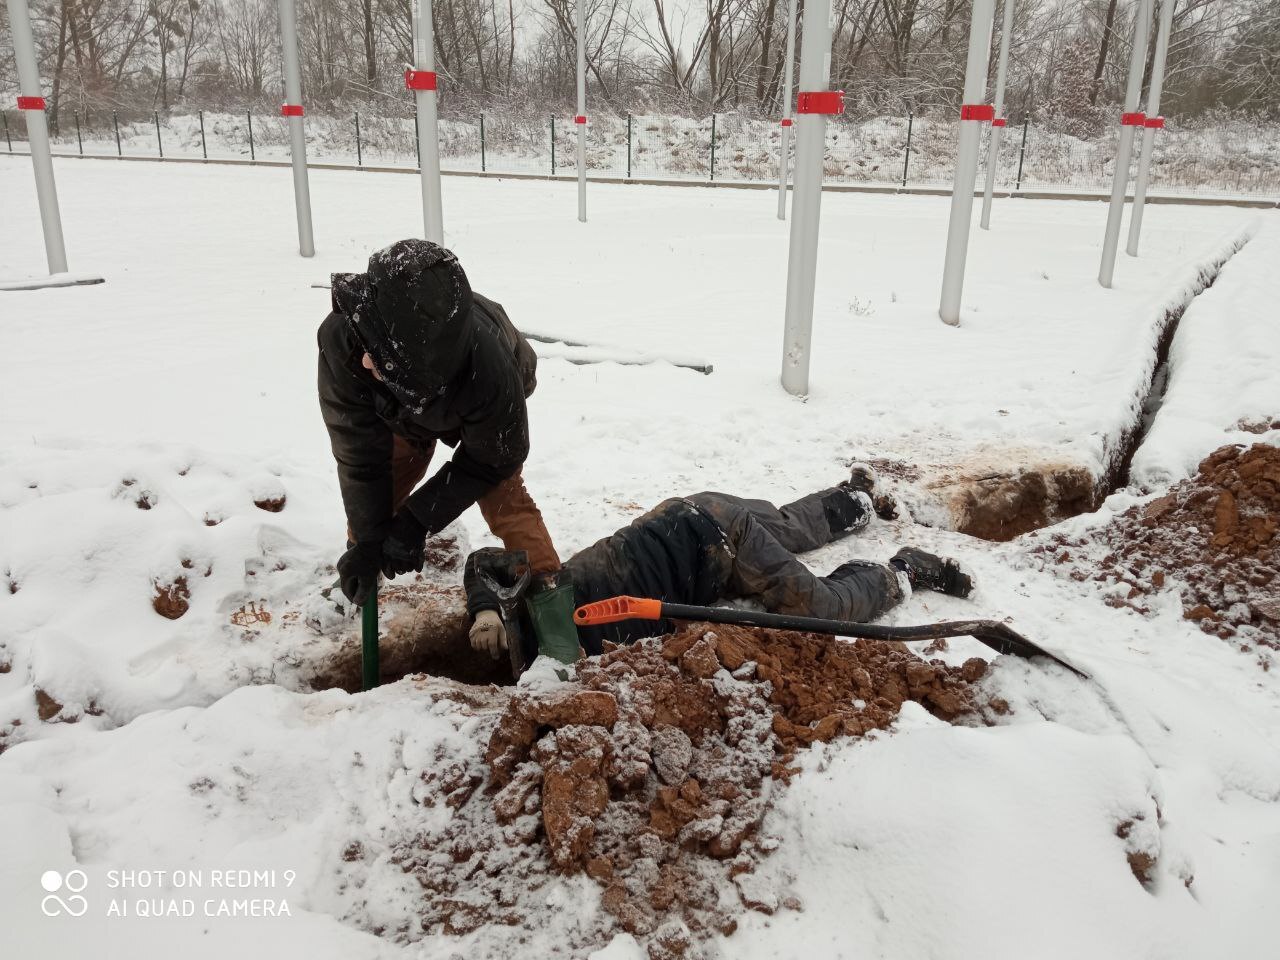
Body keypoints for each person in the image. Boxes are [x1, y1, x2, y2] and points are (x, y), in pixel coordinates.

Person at [319, 239, 578, 659]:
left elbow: (491, 460)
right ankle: (356, 573)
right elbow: (360, 458)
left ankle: (556, 628)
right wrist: (369, 541)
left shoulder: (492, 374)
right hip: (400, 411)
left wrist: (418, 521)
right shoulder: (343, 342)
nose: (367, 365)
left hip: (483, 409)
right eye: (372, 357)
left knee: (506, 500)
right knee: (387, 477)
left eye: (379, 363)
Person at [463, 465, 974, 662]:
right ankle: (855, 500)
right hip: (691, 513)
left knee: (822, 609)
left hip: (715, 539)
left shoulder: (541, 591)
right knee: (785, 527)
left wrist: (484, 610)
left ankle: (903, 571)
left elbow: (483, 562)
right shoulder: (558, 640)